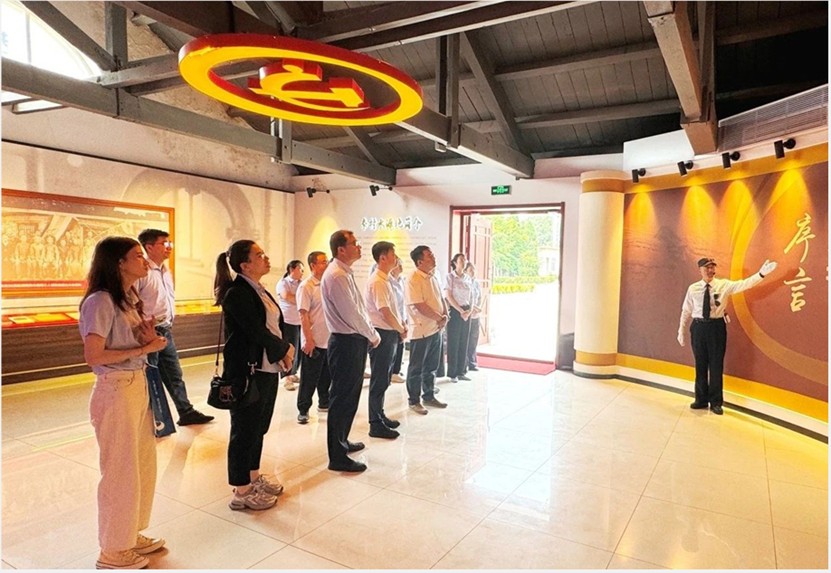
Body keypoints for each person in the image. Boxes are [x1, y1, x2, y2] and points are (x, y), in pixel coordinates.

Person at [79, 236, 169, 569]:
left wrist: (146, 339)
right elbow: (94, 355)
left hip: (135, 384)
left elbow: (128, 344)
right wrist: (143, 348)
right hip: (115, 389)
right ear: (119, 262)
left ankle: (128, 534)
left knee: (142, 464)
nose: (145, 261)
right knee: (120, 471)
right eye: (137, 256)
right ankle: (113, 550)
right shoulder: (100, 301)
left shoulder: (128, 298)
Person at [214, 240, 294, 510]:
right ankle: (241, 490)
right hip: (247, 372)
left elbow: (274, 326)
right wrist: (285, 349)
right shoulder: (237, 293)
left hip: (266, 369)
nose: (266, 258)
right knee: (244, 430)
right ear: (245, 265)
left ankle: (253, 476)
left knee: (258, 428)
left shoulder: (258, 289)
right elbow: (255, 331)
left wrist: (282, 351)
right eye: (259, 255)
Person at [677, 257, 777, 415]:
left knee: (716, 365)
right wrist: (681, 330)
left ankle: (716, 402)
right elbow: (686, 310)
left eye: (712, 267)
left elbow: (744, 284)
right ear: (700, 270)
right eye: (707, 268)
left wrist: (761, 274)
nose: (710, 271)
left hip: (716, 328)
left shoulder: (724, 285)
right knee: (700, 365)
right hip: (698, 328)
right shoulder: (693, 288)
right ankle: (700, 399)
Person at [135, 229, 214, 427]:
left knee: (174, 373)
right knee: (150, 376)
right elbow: (132, 303)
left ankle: (185, 411)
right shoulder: (142, 273)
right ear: (149, 247)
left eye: (170, 243)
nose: (169, 248)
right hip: (149, 332)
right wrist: (146, 331)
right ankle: (154, 419)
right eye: (164, 243)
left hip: (165, 329)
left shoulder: (165, 271)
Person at [320, 230, 381, 472]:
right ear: (341, 249)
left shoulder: (344, 272)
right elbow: (352, 314)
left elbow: (358, 309)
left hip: (353, 341)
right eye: (354, 243)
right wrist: (373, 335)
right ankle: (337, 456)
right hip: (345, 343)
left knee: (350, 397)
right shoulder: (336, 275)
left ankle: (342, 441)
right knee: (341, 399)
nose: (359, 247)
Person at [365, 242, 407, 439]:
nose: (396, 257)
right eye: (393, 254)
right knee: (379, 379)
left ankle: (379, 415)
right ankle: (375, 424)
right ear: (382, 258)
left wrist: (400, 326)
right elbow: (385, 311)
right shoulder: (378, 281)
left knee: (384, 378)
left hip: (390, 332)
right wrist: (400, 328)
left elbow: (394, 308)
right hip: (382, 333)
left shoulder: (387, 279)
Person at [404, 245, 449, 415]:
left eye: (432, 254)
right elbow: (419, 305)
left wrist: (445, 315)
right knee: (416, 368)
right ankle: (414, 400)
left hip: (436, 329)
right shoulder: (413, 278)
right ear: (420, 261)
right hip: (421, 330)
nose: (433, 257)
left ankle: (429, 395)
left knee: (431, 366)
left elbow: (440, 298)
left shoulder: (433, 276)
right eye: (429, 256)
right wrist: (439, 318)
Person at [295, 251, 332, 424]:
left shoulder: (327, 283)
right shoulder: (306, 286)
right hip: (313, 340)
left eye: (327, 261)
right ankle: (303, 409)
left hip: (328, 339)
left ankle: (324, 401)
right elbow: (303, 315)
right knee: (309, 378)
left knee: (326, 375)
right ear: (313, 265)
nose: (327, 264)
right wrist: (308, 340)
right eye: (323, 262)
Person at [444, 253, 473, 382]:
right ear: (455, 262)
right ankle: (452, 373)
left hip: (467, 311)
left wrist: (470, 310)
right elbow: (448, 296)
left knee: (464, 341)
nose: (464, 262)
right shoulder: (450, 277)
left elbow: (471, 295)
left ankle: (461, 371)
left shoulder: (468, 278)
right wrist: (460, 310)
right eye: (461, 260)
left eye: (465, 260)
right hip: (455, 311)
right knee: (453, 342)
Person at [276, 260, 304, 391]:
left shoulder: (301, 283)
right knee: (289, 348)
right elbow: (287, 296)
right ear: (292, 269)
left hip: (300, 320)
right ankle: (286, 376)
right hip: (288, 321)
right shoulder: (283, 283)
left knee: (299, 349)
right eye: (300, 269)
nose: (302, 272)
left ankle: (293, 373)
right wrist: (302, 299)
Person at [389, 256, 407, 384]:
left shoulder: (402, 280)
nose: (400, 266)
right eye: (398, 264)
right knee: (394, 345)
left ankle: (396, 370)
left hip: (402, 317)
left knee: (401, 345)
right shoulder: (388, 281)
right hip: (394, 318)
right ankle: (392, 372)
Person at [464, 261, 483, 372]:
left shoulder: (476, 283)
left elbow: (479, 297)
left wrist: (478, 307)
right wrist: (473, 308)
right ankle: (465, 363)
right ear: (466, 271)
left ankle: (472, 362)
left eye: (474, 270)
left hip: (476, 315)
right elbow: (466, 299)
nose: (473, 272)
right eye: (470, 270)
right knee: (466, 339)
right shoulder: (464, 282)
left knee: (473, 340)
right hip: (468, 314)